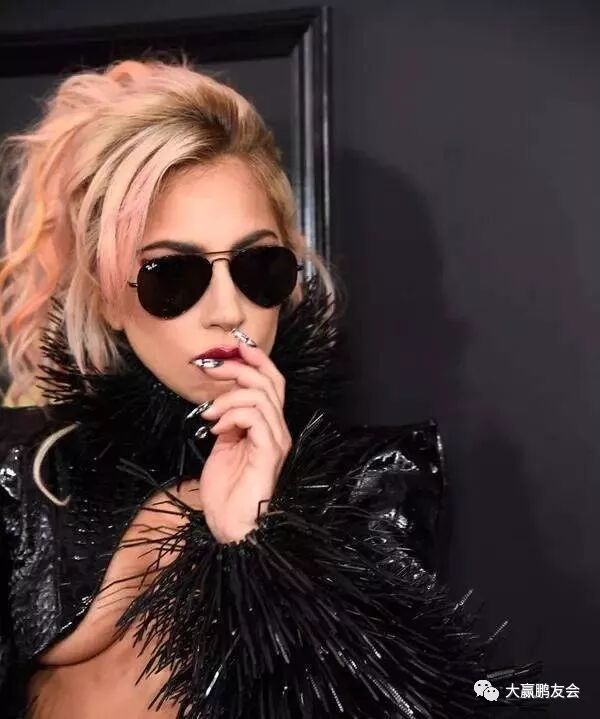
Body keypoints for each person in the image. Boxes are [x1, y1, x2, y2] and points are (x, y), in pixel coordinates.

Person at [0, 56, 543, 718]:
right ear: (108, 294)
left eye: (258, 266)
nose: (228, 309)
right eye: (173, 273)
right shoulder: (26, 482)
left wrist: (259, 545)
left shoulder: (372, 487)